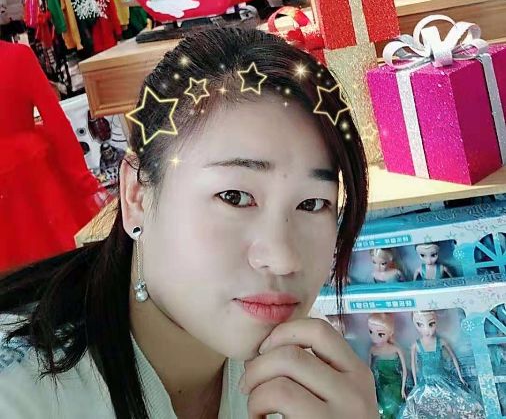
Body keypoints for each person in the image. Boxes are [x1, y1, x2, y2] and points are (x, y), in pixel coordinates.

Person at [0, 27, 376, 418]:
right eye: (234, 197)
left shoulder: (307, 375)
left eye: (312, 203)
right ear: (136, 195)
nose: (282, 259)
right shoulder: (19, 396)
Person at [0, 40, 105, 273]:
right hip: (31, 181)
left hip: (26, 175)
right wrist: (81, 178)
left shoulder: (18, 56)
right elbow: (56, 121)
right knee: (56, 269)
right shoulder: (18, 56)